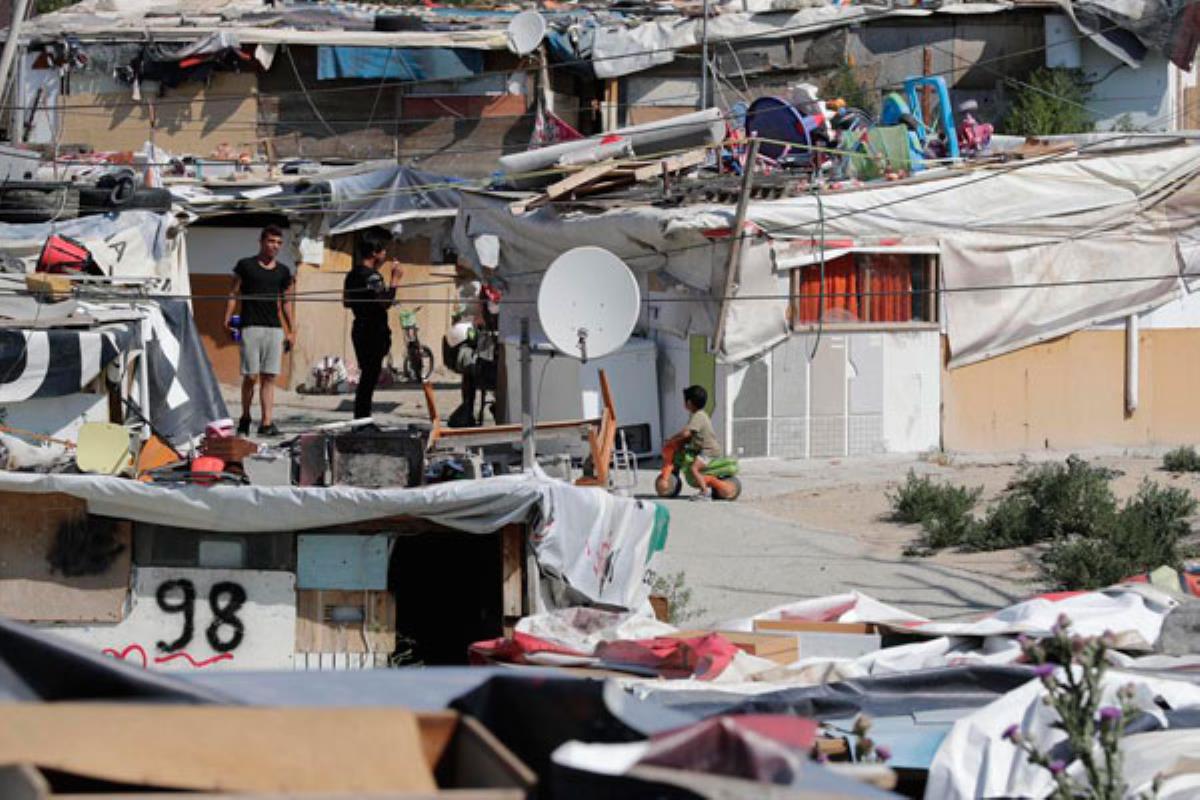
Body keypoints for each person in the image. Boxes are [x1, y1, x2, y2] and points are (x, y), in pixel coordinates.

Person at [223, 224, 294, 437]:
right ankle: (245, 417)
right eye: (271, 241)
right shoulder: (245, 266)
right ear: (262, 242)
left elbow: (286, 302)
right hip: (250, 326)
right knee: (251, 376)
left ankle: (266, 423)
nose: (275, 246)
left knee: (269, 377)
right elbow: (233, 293)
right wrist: (226, 320)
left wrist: (292, 330)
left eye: (279, 243)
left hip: (274, 328)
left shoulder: (283, 271)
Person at [343, 228, 403, 421]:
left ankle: (362, 419)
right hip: (371, 331)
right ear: (375, 252)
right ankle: (361, 420)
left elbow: (346, 301)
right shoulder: (372, 276)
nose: (385, 254)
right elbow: (384, 302)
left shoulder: (352, 274)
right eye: (383, 250)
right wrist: (395, 280)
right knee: (369, 378)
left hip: (360, 328)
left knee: (367, 377)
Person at [657, 385, 722, 500]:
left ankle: (705, 492)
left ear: (689, 402)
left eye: (685, 400)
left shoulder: (698, 416)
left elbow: (686, 433)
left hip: (708, 451)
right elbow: (691, 434)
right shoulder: (699, 415)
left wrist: (672, 439)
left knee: (694, 468)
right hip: (703, 449)